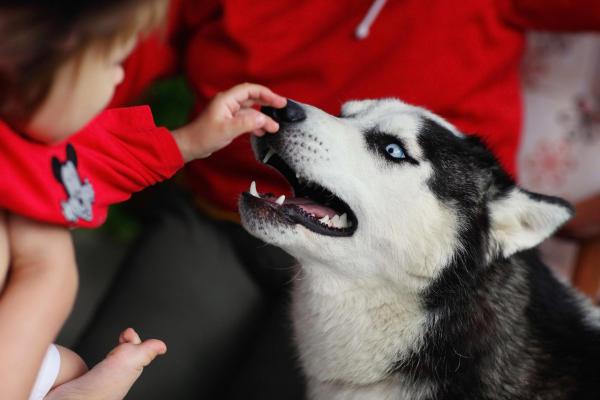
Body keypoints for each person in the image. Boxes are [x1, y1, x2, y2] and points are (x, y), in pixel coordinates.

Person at [73, 1, 600, 399]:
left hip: (411, 273)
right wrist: (43, 121)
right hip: (224, 211)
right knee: (103, 379)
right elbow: (126, 37)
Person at [0, 0, 286, 398]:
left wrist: (188, 142)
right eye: (113, 61)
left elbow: (92, 155)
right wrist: (46, 273)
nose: (119, 77)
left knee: (70, 368)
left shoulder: (28, 134)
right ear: (45, 57)